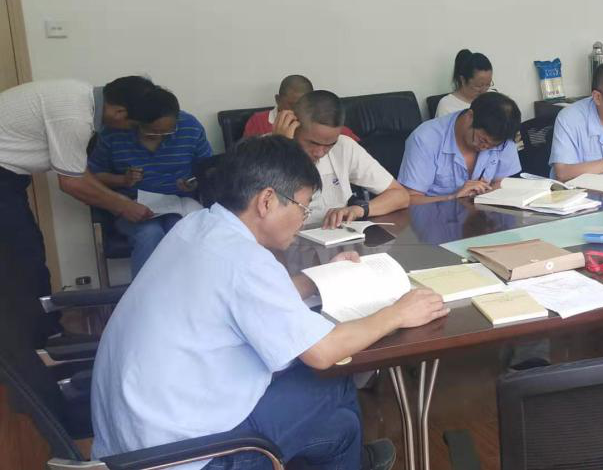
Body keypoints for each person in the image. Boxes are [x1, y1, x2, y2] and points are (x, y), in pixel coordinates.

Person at [90, 136, 448, 470]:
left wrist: (317, 279)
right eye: (303, 208)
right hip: (189, 455)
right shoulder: (243, 260)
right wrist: (397, 314)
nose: (303, 219)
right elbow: (322, 352)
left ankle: (350, 453)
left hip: (134, 441)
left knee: (339, 423)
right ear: (266, 200)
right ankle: (350, 455)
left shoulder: (199, 226)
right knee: (332, 384)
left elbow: (244, 298)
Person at [0, 77, 156, 344]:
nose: (128, 131)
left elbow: (77, 172)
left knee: (25, 254)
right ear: (119, 112)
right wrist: (124, 206)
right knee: (23, 258)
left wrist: (120, 202)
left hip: (9, 178)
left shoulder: (79, 97)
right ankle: (40, 342)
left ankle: (43, 335)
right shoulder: (76, 118)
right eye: (131, 125)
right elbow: (71, 183)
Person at [89, 86, 213, 274]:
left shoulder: (190, 127)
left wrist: (193, 182)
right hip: (133, 207)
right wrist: (123, 180)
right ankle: (146, 292)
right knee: (149, 233)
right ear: (135, 123)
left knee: (181, 230)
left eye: (167, 133)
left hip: (178, 204)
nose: (160, 138)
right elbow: (93, 175)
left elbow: (208, 168)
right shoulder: (114, 133)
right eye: (152, 133)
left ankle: (184, 290)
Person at [286, 90, 409, 228]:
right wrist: (282, 148)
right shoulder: (269, 152)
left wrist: (359, 210)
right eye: (313, 143)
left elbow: (401, 195)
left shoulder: (343, 146)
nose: (320, 153)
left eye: (329, 144)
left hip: (333, 236)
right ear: (293, 127)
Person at [399, 92, 522, 203]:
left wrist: (487, 193)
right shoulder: (425, 139)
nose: (486, 148)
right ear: (470, 116)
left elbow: (505, 183)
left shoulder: (502, 137)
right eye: (482, 140)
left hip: (484, 215)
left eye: (494, 146)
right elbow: (410, 199)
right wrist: (453, 198)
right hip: (436, 216)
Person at [242, 74, 358, 141]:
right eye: (293, 105)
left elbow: (355, 144)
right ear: (278, 100)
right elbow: (246, 159)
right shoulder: (259, 121)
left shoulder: (320, 120)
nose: (299, 110)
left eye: (305, 105)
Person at [435, 49, 494, 118]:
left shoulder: (492, 98)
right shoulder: (447, 106)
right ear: (463, 80)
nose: (484, 91)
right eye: (479, 86)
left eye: (488, 84)